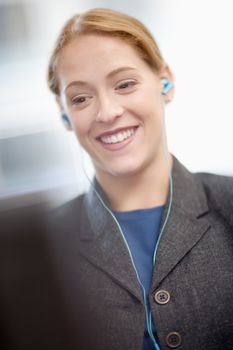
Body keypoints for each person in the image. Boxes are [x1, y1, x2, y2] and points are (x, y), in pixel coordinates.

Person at [47, 7, 233, 350]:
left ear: (166, 82)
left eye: (125, 84)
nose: (107, 112)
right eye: (81, 98)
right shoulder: (46, 243)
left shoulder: (229, 202)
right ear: (64, 115)